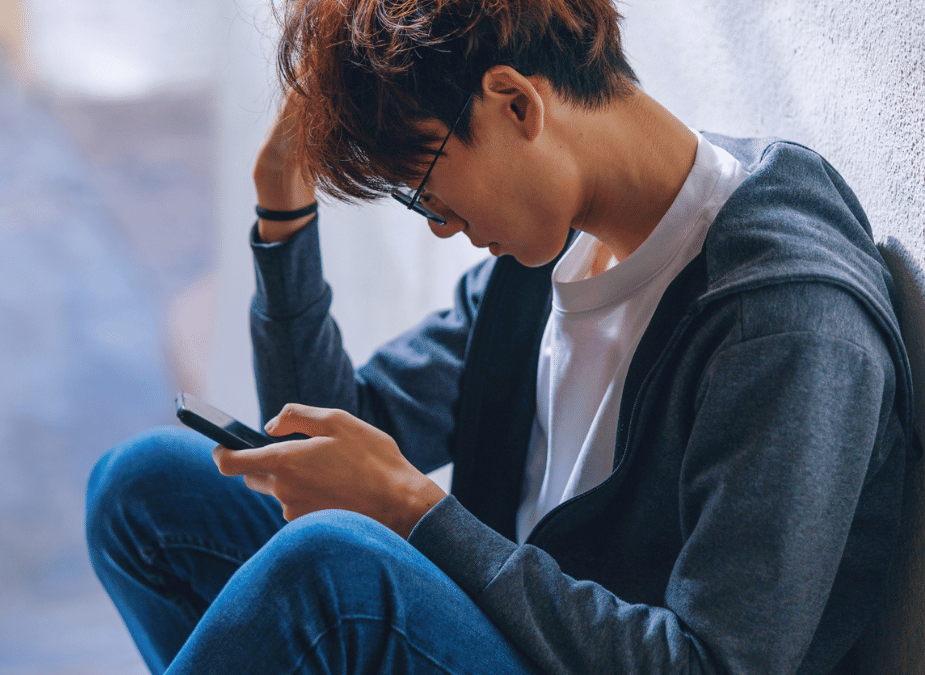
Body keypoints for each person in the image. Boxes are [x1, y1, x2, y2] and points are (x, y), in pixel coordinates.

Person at [85, 0, 915, 672]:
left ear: (517, 103)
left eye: (425, 190)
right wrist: (282, 207)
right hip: (493, 632)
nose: (443, 228)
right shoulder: (549, 257)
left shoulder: (784, 315)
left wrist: (417, 512)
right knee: (144, 487)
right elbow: (327, 420)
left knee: (333, 576)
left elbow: (711, 663)